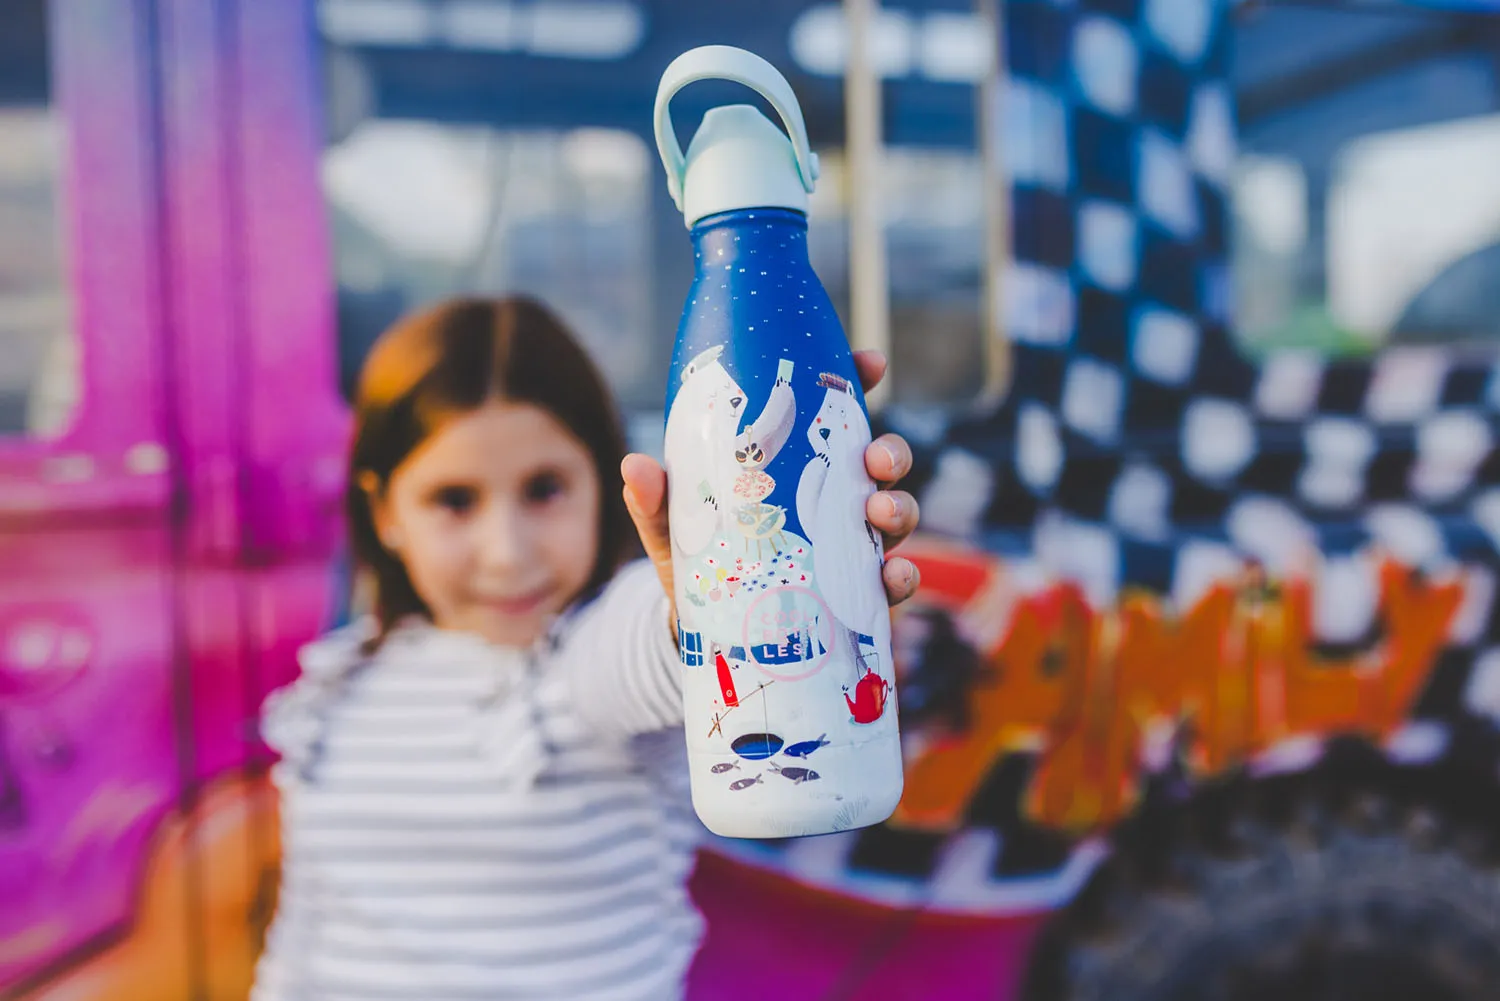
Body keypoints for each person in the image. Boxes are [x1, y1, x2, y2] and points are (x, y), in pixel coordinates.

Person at [251, 296, 922, 1001]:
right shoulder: (338, 683)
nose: (507, 553)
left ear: (602, 488)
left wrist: (701, 597)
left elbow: (649, 641)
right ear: (385, 510)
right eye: (455, 499)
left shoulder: (584, 665)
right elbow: (305, 936)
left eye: (544, 490)